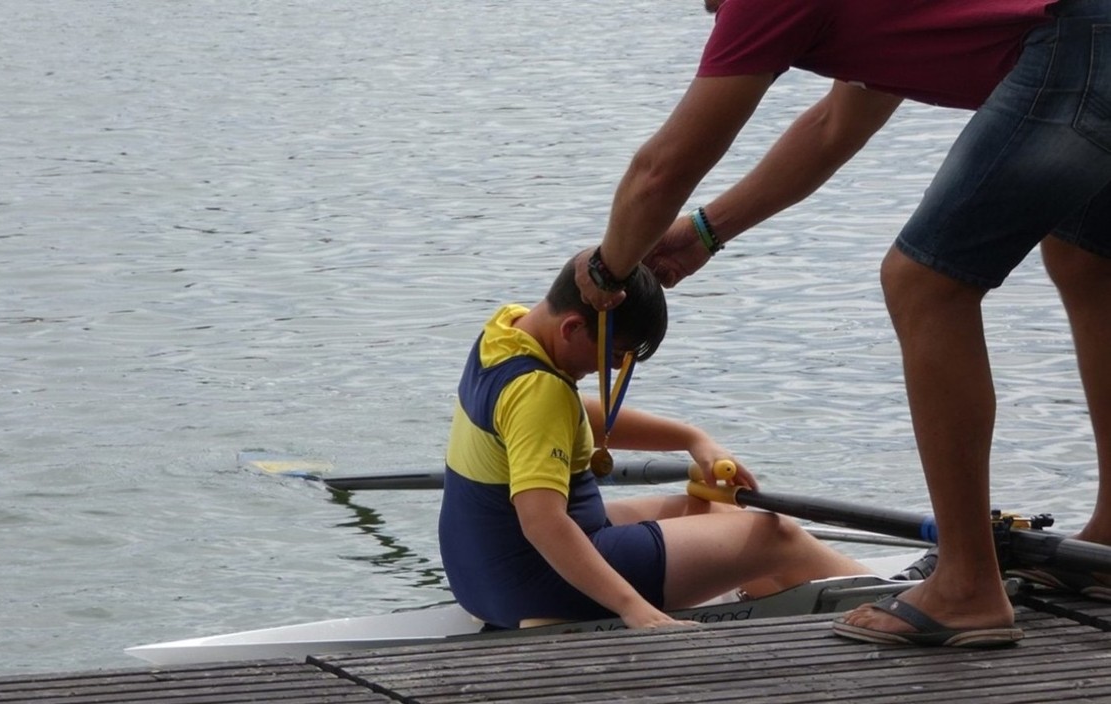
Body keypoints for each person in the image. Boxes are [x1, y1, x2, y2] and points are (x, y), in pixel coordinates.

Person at [572, 0, 1111, 647]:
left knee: (925, 283)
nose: (704, 8)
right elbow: (834, 124)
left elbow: (662, 168)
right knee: (1086, 262)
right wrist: (707, 233)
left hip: (1082, 43)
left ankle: (968, 584)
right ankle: (1107, 545)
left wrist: (605, 271)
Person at [438, 258, 871, 630]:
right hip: (535, 582)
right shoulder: (540, 393)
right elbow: (542, 524)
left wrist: (691, 438)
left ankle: (771, 596)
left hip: (478, 571)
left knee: (710, 511)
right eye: (614, 356)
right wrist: (633, 608)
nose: (612, 369)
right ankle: (887, 601)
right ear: (572, 327)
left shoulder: (508, 329)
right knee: (773, 534)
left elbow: (563, 415)